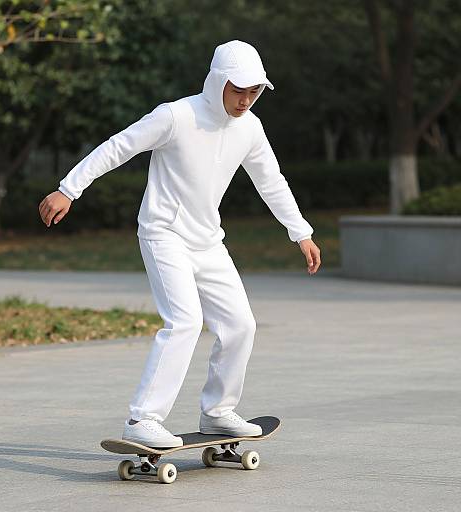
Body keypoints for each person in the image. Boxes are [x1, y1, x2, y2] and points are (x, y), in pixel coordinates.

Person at [38, 40, 321, 448]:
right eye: (238, 90)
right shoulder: (177, 116)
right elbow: (120, 146)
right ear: (217, 81)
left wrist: (302, 232)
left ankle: (219, 412)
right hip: (163, 234)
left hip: (208, 240)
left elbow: (271, 181)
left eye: (254, 91)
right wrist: (69, 189)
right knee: (185, 322)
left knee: (241, 324)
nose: (245, 100)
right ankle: (143, 420)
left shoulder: (250, 128)